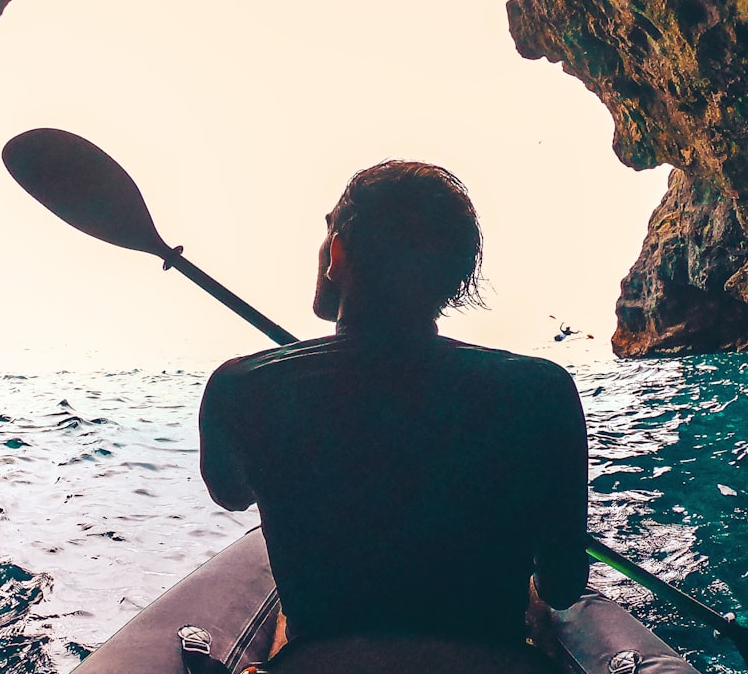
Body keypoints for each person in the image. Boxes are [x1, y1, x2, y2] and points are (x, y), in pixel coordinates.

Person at [199, 160, 590, 672]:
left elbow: (230, 492)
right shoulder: (543, 391)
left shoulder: (242, 387)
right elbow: (562, 587)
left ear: (338, 253)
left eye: (327, 235)